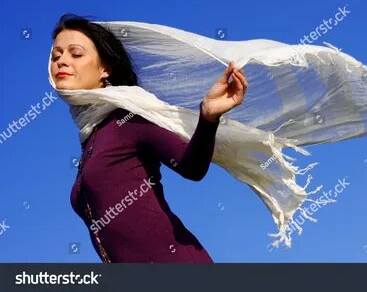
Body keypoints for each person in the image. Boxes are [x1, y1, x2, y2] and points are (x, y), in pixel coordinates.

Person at [50, 14, 248, 263]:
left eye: (75, 53)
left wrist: (208, 117)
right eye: (56, 56)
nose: (62, 62)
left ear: (105, 69)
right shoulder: (90, 137)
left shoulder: (128, 118)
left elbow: (192, 167)